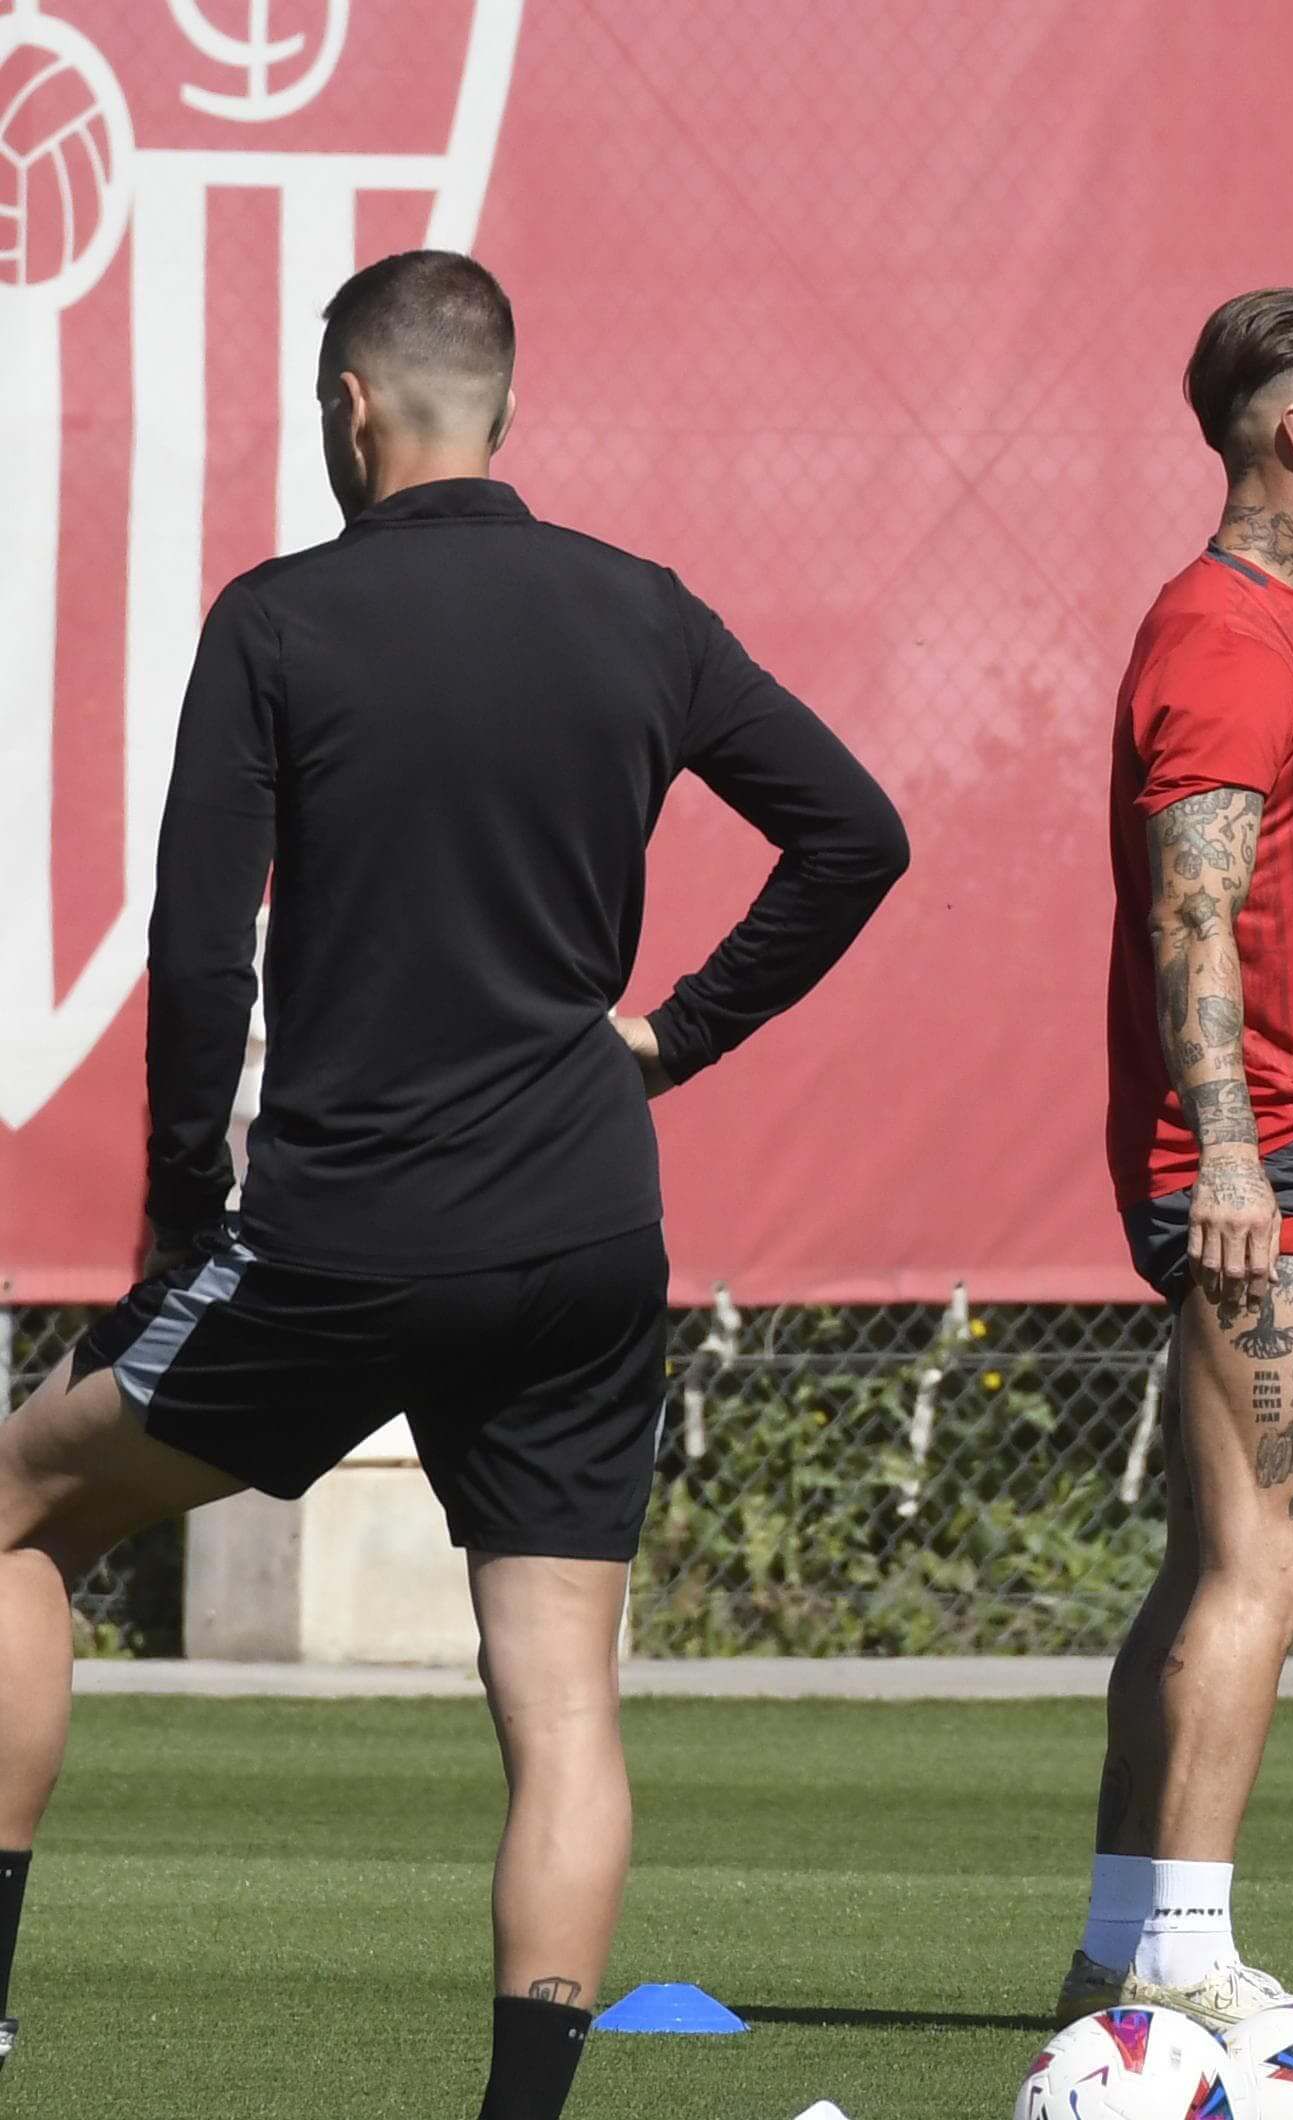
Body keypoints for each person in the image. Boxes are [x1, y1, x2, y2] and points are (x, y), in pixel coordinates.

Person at [0, 250, 908, 2113]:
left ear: (351, 411)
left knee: (16, 1510)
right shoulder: (640, 612)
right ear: (505, 406)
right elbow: (856, 836)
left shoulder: (278, 619)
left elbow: (199, 951)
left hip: (346, 1231)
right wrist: (671, 1036)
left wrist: (181, 1212)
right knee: (562, 1702)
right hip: (585, 1228)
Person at [1060, 287, 1293, 2032]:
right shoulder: (1217, 636)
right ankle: (1188, 1967)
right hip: (1259, 1151)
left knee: (1216, 1555)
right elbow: (1190, 913)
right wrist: (1230, 1158)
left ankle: (1117, 1949)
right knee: (1275, 1548)